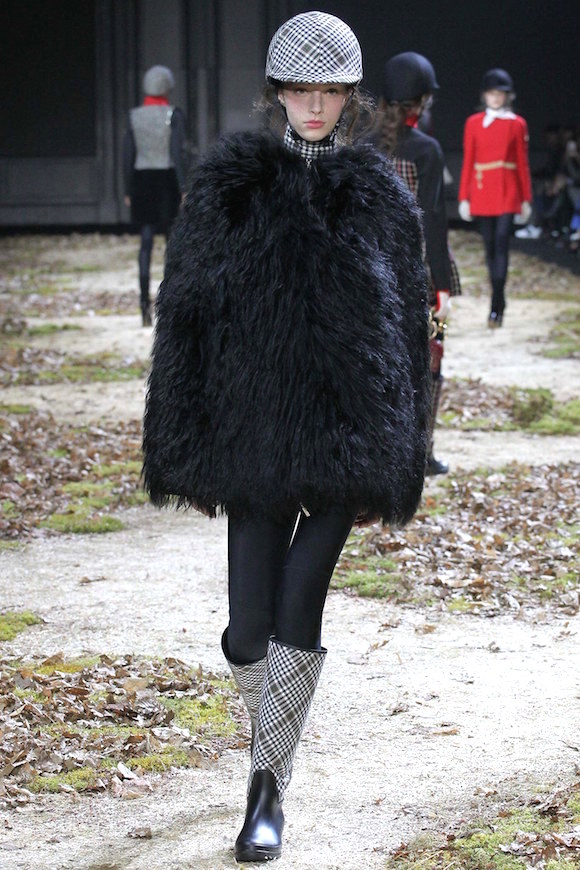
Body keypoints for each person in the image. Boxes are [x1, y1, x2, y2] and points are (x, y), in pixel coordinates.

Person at [142, 11, 430, 863]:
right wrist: (185, 442)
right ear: (277, 93)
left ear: (350, 97)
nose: (314, 104)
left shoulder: (379, 196)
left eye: (329, 90)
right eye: (300, 89)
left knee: (299, 604)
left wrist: (401, 450)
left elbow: (407, 330)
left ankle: (266, 792)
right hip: (254, 433)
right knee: (246, 631)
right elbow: (185, 319)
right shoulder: (229, 187)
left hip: (348, 437)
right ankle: (274, 741)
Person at [373, 51, 462, 476]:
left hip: (368, 268)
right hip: (417, 276)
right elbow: (434, 222)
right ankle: (420, 453)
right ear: (422, 100)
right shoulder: (426, 150)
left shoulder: (360, 141)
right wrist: (442, 287)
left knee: (373, 362)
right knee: (428, 361)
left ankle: (377, 451)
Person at [458, 68, 532, 327]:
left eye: (500, 93)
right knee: (490, 247)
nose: (496, 97)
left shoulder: (517, 124)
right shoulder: (473, 123)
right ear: (484, 95)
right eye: (492, 93)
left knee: (501, 243)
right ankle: (498, 299)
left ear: (507, 96)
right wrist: (464, 197)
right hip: (482, 190)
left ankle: (496, 303)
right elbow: (468, 160)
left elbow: (522, 162)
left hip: (507, 190)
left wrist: (526, 198)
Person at [123, 65, 188, 326]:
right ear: (167, 87)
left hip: (142, 180)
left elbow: (128, 155)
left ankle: (143, 305)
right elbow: (177, 153)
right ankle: (170, 304)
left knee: (146, 243)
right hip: (166, 181)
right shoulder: (173, 114)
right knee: (172, 245)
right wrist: (183, 187)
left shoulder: (134, 116)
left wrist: (128, 189)